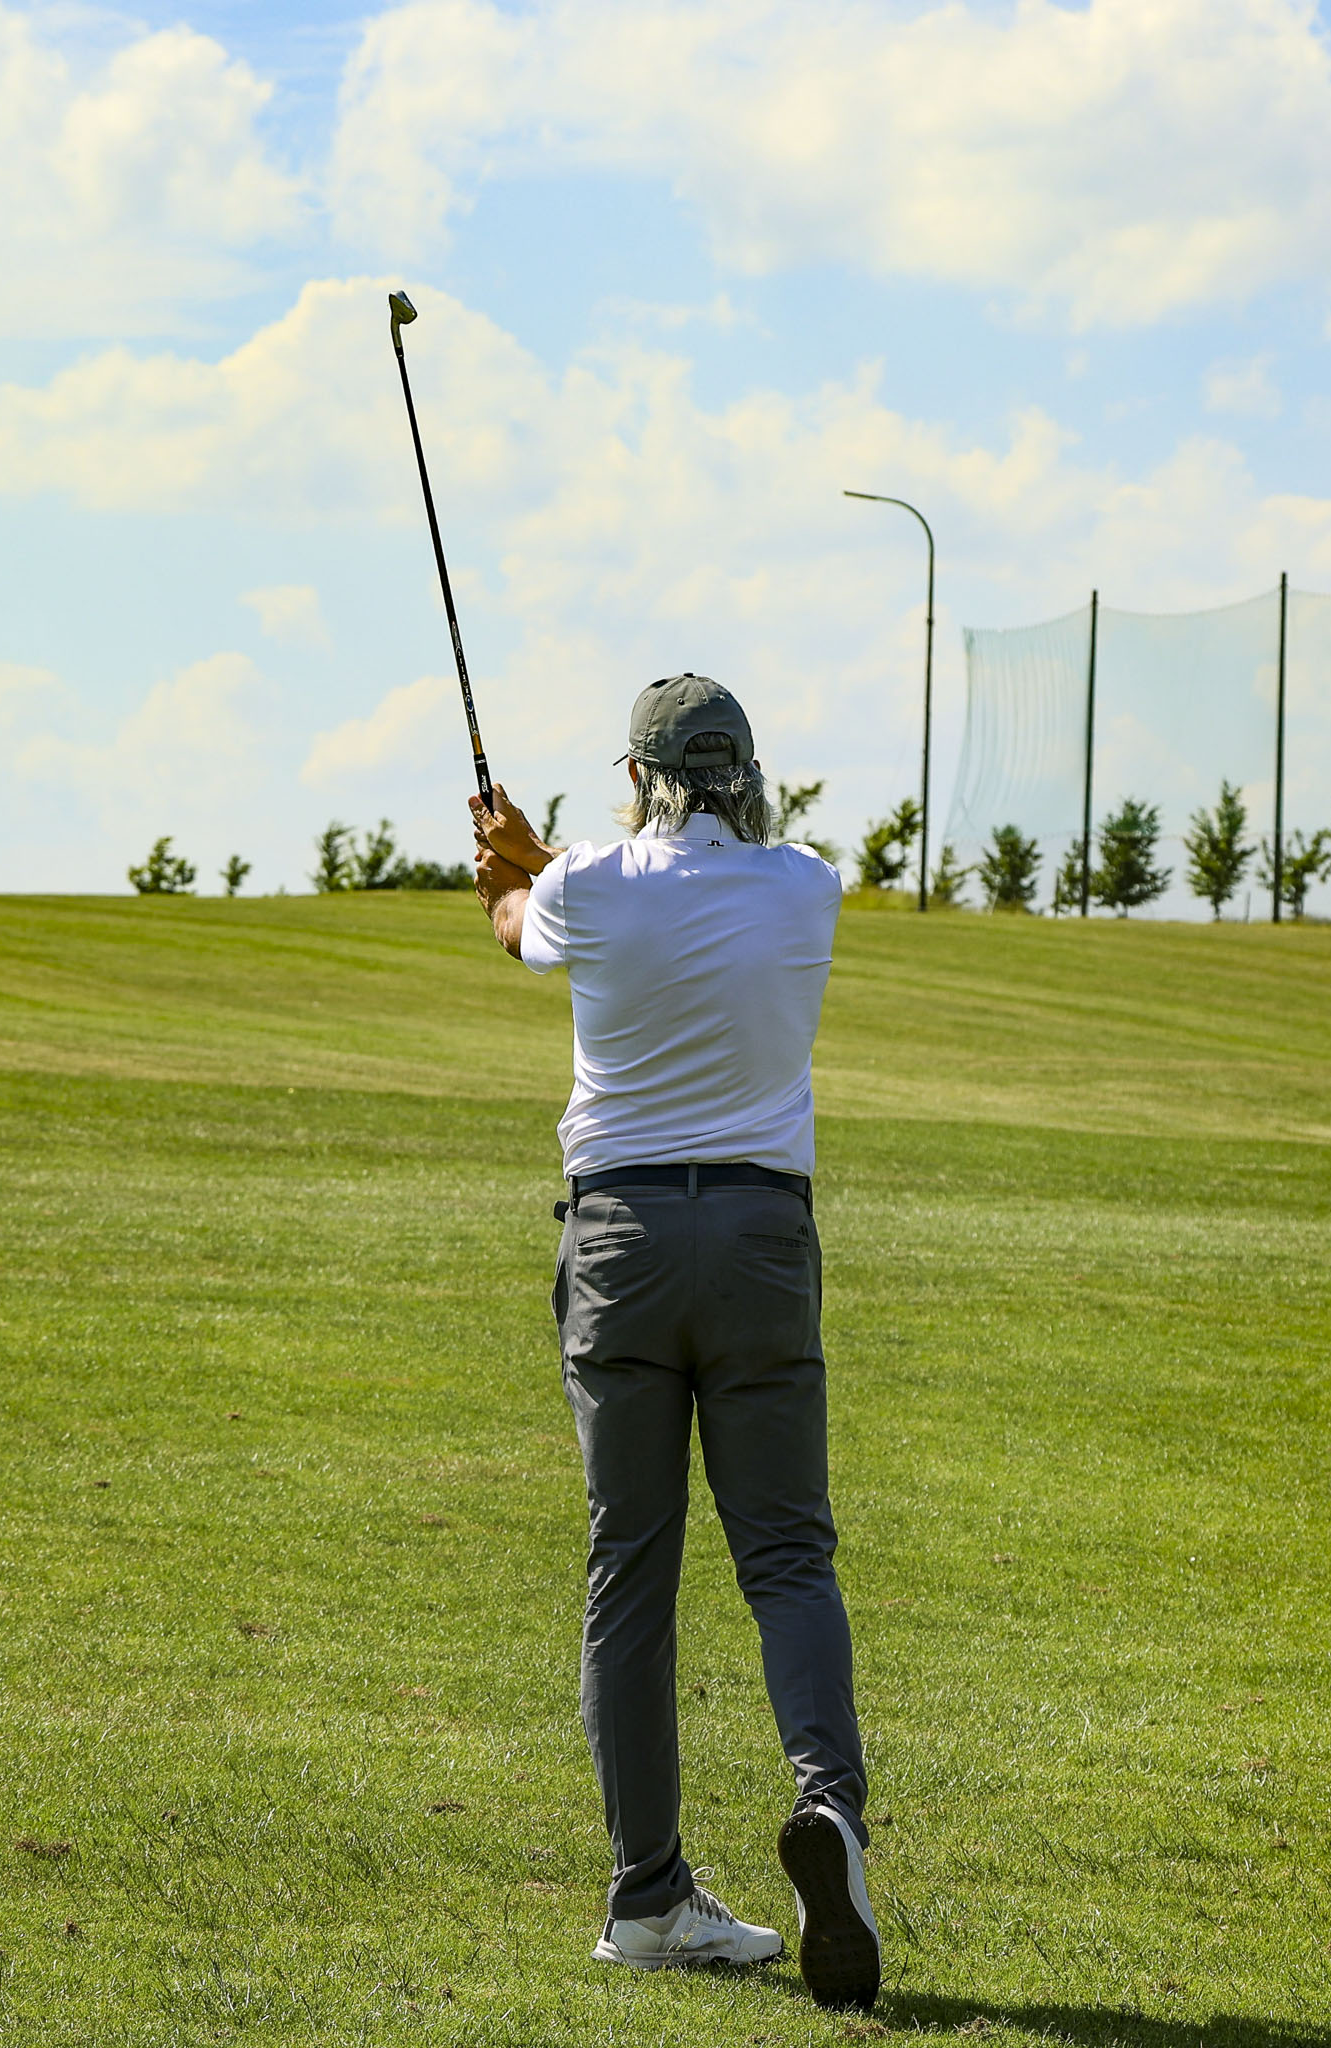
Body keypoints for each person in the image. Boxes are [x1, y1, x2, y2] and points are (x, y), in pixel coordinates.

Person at [469, 674, 882, 2012]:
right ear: (747, 772)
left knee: (629, 1576)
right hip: (761, 1241)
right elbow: (656, 888)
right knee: (787, 1559)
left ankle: (649, 1894)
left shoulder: (585, 884)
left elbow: (522, 920)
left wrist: (505, 863)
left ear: (634, 774)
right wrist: (543, 862)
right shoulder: (805, 889)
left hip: (620, 1246)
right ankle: (831, 1812)